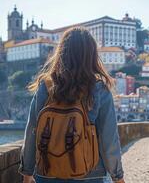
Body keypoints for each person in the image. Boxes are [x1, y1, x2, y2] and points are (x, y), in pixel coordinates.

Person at [19, 27, 125, 183]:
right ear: (91, 55)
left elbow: (32, 132)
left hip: (47, 172)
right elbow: (109, 140)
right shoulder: (99, 89)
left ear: (61, 52)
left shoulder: (45, 86)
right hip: (90, 174)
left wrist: (27, 174)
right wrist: (118, 177)